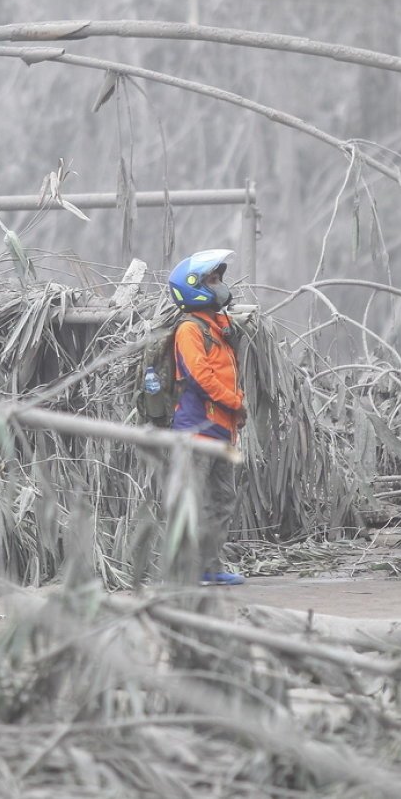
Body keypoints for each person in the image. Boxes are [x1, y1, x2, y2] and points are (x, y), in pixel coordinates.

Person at [167, 249, 247, 586]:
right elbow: (200, 378)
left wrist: (234, 411)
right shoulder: (189, 330)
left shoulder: (217, 327)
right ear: (195, 287)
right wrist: (235, 402)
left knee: (222, 501)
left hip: (221, 432)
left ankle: (209, 568)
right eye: (212, 280)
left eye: (218, 279)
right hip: (197, 431)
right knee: (193, 502)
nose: (219, 286)